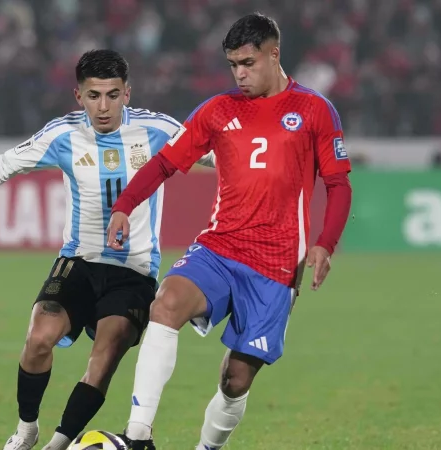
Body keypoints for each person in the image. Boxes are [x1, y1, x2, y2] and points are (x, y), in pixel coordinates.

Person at [0, 49, 215, 450]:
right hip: (78, 261)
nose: (104, 106)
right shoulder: (62, 134)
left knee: (106, 353)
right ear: (78, 95)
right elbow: (5, 164)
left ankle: (59, 444)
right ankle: (27, 429)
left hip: (133, 272)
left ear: (127, 94)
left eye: (113, 95)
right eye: (94, 95)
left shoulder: (158, 130)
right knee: (39, 337)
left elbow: (217, 156)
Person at [105, 13, 353, 450]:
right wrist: (124, 206)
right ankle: (137, 436)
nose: (239, 74)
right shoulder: (218, 111)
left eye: (248, 63)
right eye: (233, 65)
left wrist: (325, 245)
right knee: (166, 304)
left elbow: (338, 184)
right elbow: (164, 162)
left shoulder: (313, 110)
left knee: (235, 380)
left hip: (277, 266)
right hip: (219, 248)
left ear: (274, 54)